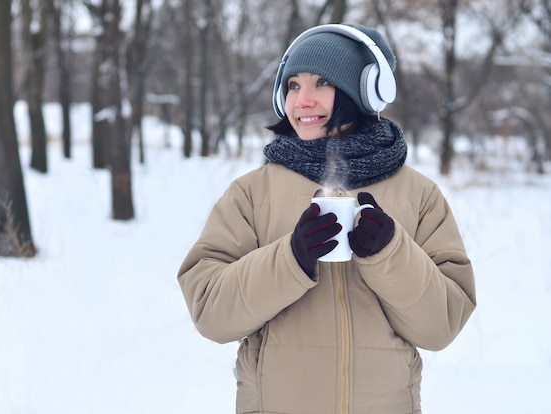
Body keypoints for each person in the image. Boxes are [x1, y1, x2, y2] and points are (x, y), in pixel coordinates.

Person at [178, 23, 476, 414]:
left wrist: (391, 255)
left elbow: (441, 328)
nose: (302, 100)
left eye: (321, 82)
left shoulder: (419, 197)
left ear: (366, 91)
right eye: (292, 86)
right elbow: (210, 313)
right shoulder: (251, 194)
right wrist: (291, 258)